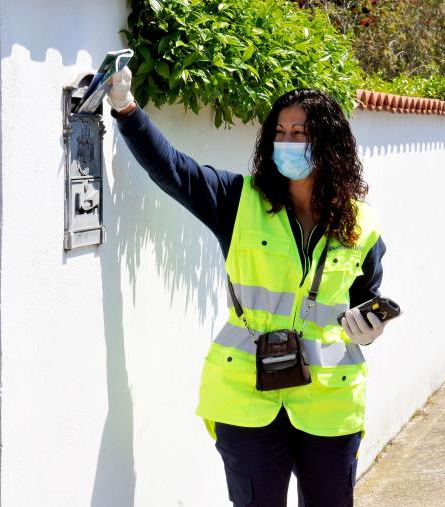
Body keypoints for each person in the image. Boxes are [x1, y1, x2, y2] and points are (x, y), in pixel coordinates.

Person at [108, 66, 387, 506]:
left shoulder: (362, 225)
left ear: (329, 144)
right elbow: (173, 170)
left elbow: (365, 299)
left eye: (300, 132)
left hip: (330, 403)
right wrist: (126, 110)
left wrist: (370, 326)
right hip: (247, 397)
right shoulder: (239, 201)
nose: (288, 142)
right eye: (280, 131)